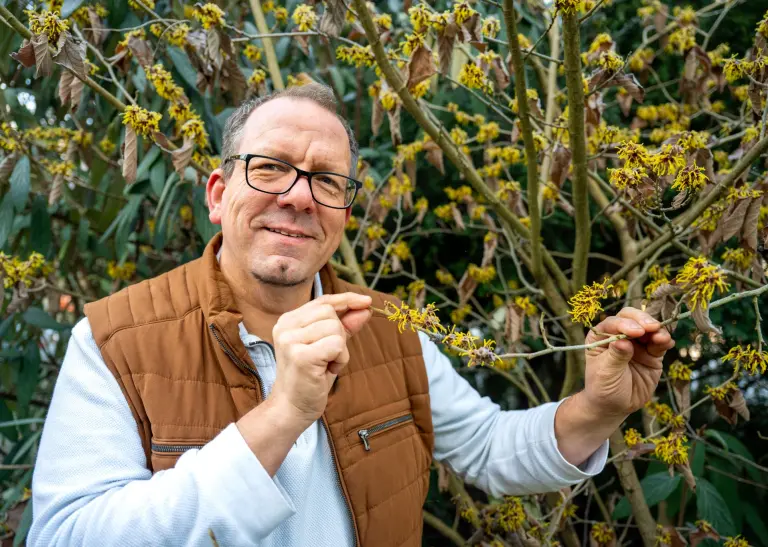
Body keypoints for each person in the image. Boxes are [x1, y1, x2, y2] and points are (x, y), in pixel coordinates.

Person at [28, 83, 674, 547]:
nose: (299, 197)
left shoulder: (387, 331)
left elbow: (489, 446)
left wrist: (599, 407)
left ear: (343, 211)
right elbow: (65, 536)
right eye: (272, 167)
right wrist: (285, 412)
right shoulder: (114, 340)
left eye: (326, 180)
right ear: (219, 195)